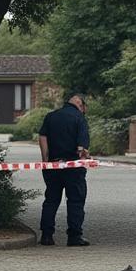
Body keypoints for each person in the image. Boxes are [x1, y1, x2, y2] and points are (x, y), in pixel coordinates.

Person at [38, 91, 91, 246]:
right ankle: (74, 237)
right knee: (75, 200)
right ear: (80, 105)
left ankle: (47, 235)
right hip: (73, 167)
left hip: (52, 165)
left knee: (51, 200)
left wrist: (46, 159)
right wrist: (84, 158)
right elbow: (82, 147)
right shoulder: (79, 118)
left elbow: (42, 137)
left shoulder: (51, 116)